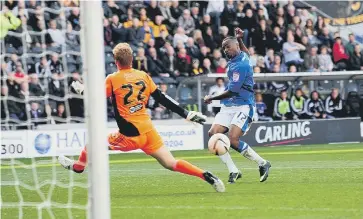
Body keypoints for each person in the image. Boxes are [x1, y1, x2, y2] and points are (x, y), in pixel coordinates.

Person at [58, 43, 225, 193]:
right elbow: (162, 98)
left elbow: (95, 97)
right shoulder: (143, 76)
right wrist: (187, 114)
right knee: (171, 163)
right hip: (148, 130)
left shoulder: (113, 79)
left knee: (91, 146)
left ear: (116, 61)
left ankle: (79, 167)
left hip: (130, 135)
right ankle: (205, 175)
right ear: (132, 60)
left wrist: (82, 90)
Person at [204, 28, 271, 184]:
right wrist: (241, 39)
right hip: (229, 106)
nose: (226, 50)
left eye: (228, 47)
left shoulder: (240, 66)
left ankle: (263, 163)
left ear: (235, 47)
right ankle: (233, 170)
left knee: (233, 139)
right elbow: (247, 53)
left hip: (243, 105)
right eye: (224, 48)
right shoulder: (241, 57)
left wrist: (212, 98)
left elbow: (232, 91)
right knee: (213, 134)